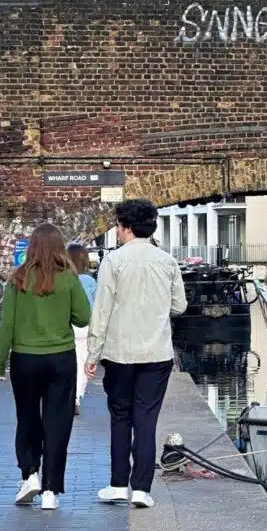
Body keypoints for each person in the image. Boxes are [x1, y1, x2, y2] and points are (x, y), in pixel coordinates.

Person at [86, 199, 187, 509]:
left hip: (120, 353)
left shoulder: (113, 262)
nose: (117, 231)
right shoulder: (167, 262)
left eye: (118, 226)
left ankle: (118, 484)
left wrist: (92, 354)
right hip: (156, 353)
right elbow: (180, 306)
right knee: (146, 419)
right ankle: (142, 489)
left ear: (127, 227)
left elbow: (102, 311)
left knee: (120, 417)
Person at [0, 223, 91, 510]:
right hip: (61, 358)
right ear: (60, 247)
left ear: (32, 247)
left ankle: (30, 474)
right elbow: (83, 317)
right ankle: (51, 490)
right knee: (57, 422)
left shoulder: (18, 278)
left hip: (25, 359)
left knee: (27, 417)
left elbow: (6, 326)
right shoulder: (69, 277)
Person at [67, 243, 97, 417]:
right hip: (85, 326)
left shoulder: (63, 279)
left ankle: (65, 395)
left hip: (67, 324)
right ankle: (76, 398)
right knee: (82, 362)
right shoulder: (90, 281)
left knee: (67, 362)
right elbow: (97, 305)